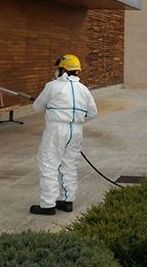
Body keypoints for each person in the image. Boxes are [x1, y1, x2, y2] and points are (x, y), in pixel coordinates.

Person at [30, 54, 98, 215]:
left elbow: (37, 108)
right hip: (76, 131)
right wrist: (76, 120)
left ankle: (48, 205)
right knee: (69, 165)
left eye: (58, 69)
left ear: (63, 70)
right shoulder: (84, 89)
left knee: (48, 164)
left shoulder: (52, 86)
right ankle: (68, 201)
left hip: (56, 130)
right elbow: (93, 113)